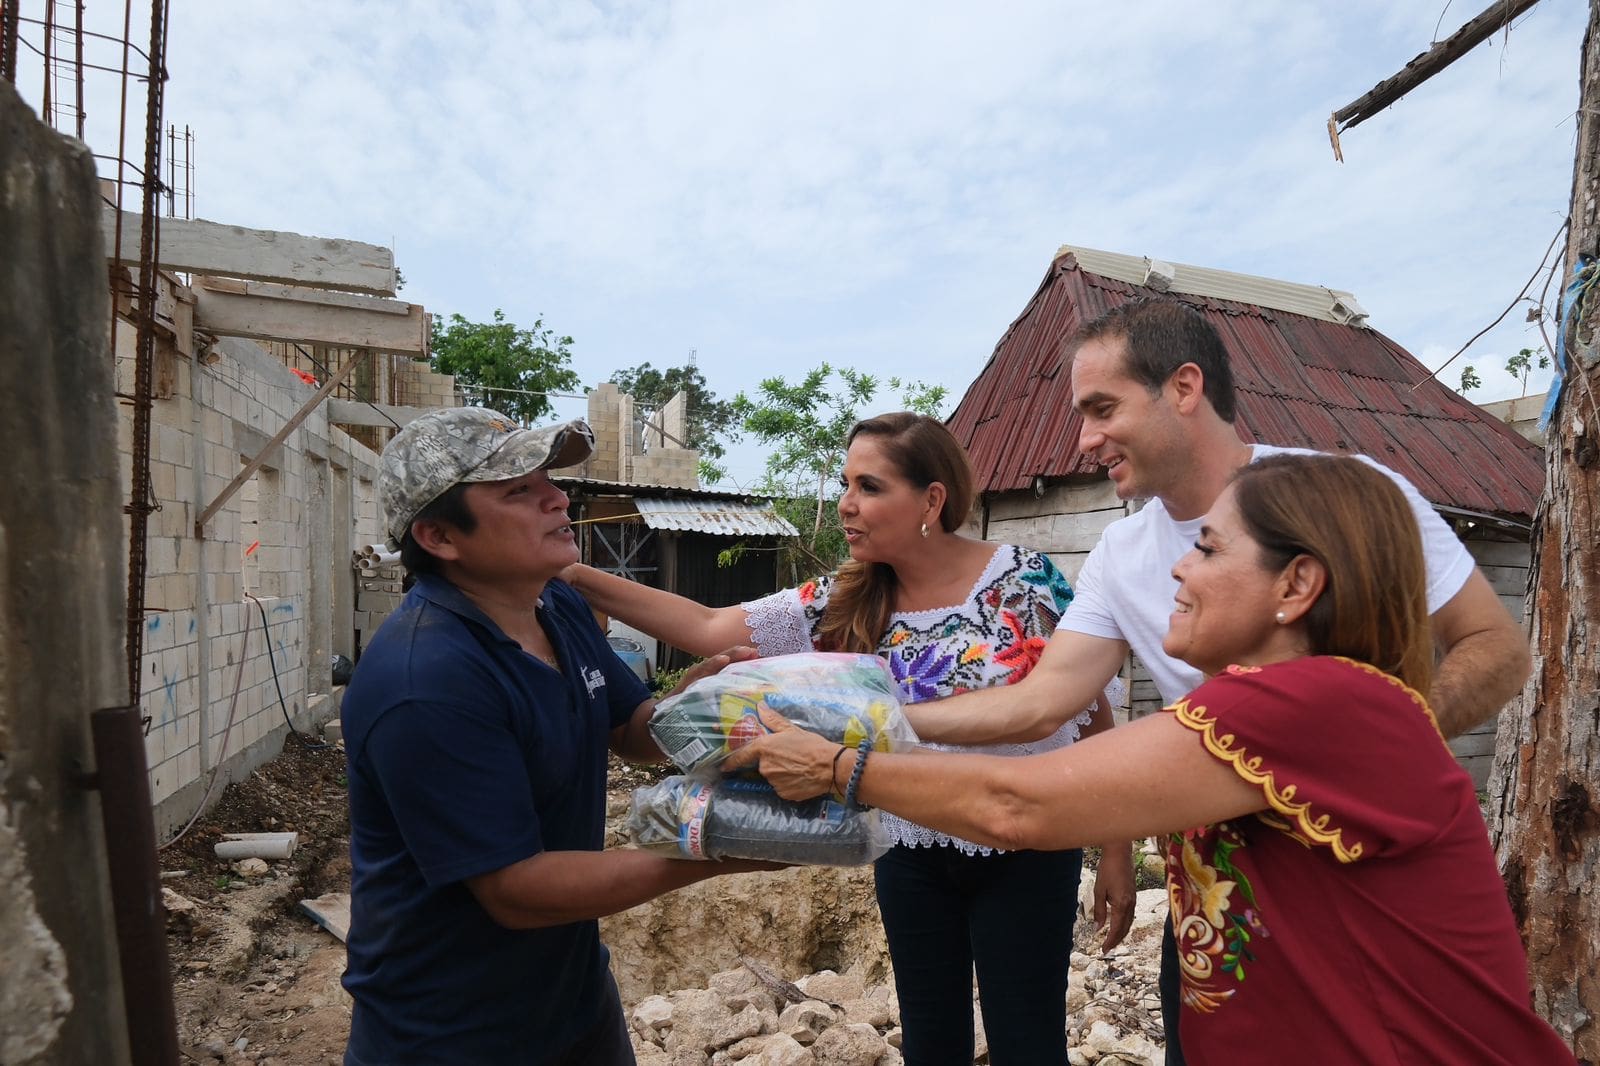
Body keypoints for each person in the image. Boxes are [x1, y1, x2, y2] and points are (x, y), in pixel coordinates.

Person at [726, 453, 1574, 1065]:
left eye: (1207, 548)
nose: (1177, 568)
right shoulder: (1259, 709)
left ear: (1296, 586)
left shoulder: (1315, 701)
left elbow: (1021, 806)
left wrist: (843, 766)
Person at [896, 297, 1532, 1063]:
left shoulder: (1344, 496)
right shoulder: (1121, 550)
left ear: (1184, 387)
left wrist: (1360, 760)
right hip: (1215, 875)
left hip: (1346, 871)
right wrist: (889, 718)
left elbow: (1497, 645)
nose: (1085, 439)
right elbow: (1040, 703)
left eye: (1102, 408)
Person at [565, 411, 1133, 1066]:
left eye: (868, 487)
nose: (846, 505)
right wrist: (577, 576)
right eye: (845, 484)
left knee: (1028, 1042)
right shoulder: (847, 598)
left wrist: (1115, 850)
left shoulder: (1023, 581)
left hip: (1028, 841)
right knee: (931, 1042)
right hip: (909, 843)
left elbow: (1089, 715)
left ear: (931, 499)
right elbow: (709, 627)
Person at [340, 407, 767, 1066]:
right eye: (518, 490)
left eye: (548, 477)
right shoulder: (426, 681)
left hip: (570, 1000)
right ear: (440, 535)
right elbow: (515, 889)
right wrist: (718, 852)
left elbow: (629, 730)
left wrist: (702, 698)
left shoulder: (555, 604)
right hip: (450, 1033)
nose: (557, 497)